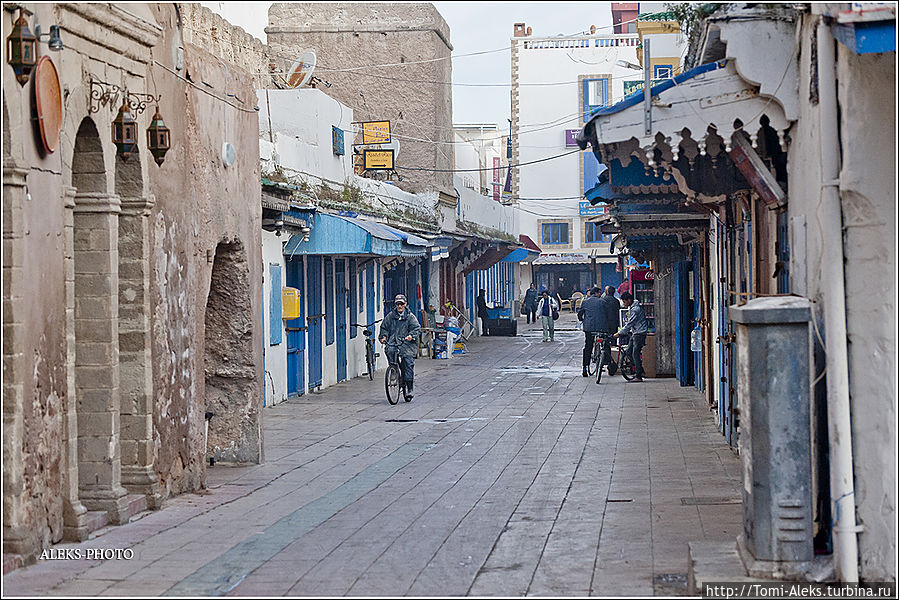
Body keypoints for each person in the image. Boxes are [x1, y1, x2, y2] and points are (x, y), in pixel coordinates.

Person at [379, 294, 421, 398]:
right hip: (394, 341)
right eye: (397, 304)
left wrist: (411, 336)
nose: (399, 306)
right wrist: (383, 337)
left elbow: (416, 328)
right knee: (389, 350)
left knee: (407, 363)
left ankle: (409, 388)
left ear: (405, 304)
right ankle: (394, 370)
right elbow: (384, 327)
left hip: (407, 344)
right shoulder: (391, 316)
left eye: (401, 304)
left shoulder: (410, 317)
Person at [578, 287, 621, 377]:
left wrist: (582, 320)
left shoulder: (585, 301)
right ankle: (609, 364)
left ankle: (585, 368)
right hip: (601, 327)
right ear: (597, 293)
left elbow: (580, 313)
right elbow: (608, 315)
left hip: (589, 328)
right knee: (605, 345)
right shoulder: (603, 302)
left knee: (588, 346)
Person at [614, 291, 648, 383]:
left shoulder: (635, 309)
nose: (624, 304)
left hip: (639, 333)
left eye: (624, 302)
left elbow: (630, 323)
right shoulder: (632, 308)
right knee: (629, 352)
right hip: (635, 332)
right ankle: (640, 370)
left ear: (629, 300)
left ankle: (638, 375)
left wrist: (619, 333)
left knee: (635, 353)